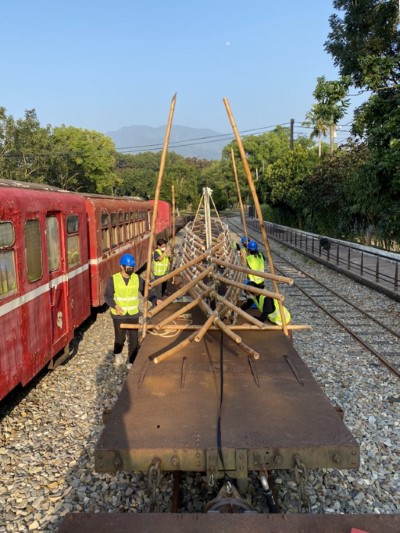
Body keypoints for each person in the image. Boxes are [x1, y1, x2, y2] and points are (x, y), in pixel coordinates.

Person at [104, 253, 158, 367]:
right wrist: (115, 306)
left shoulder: (137, 278)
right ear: (121, 267)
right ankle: (118, 355)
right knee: (120, 338)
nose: (130, 269)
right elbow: (107, 296)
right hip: (118, 315)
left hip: (133, 314)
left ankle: (132, 361)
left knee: (133, 339)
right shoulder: (113, 279)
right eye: (128, 267)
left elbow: (146, 291)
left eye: (132, 267)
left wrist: (155, 300)